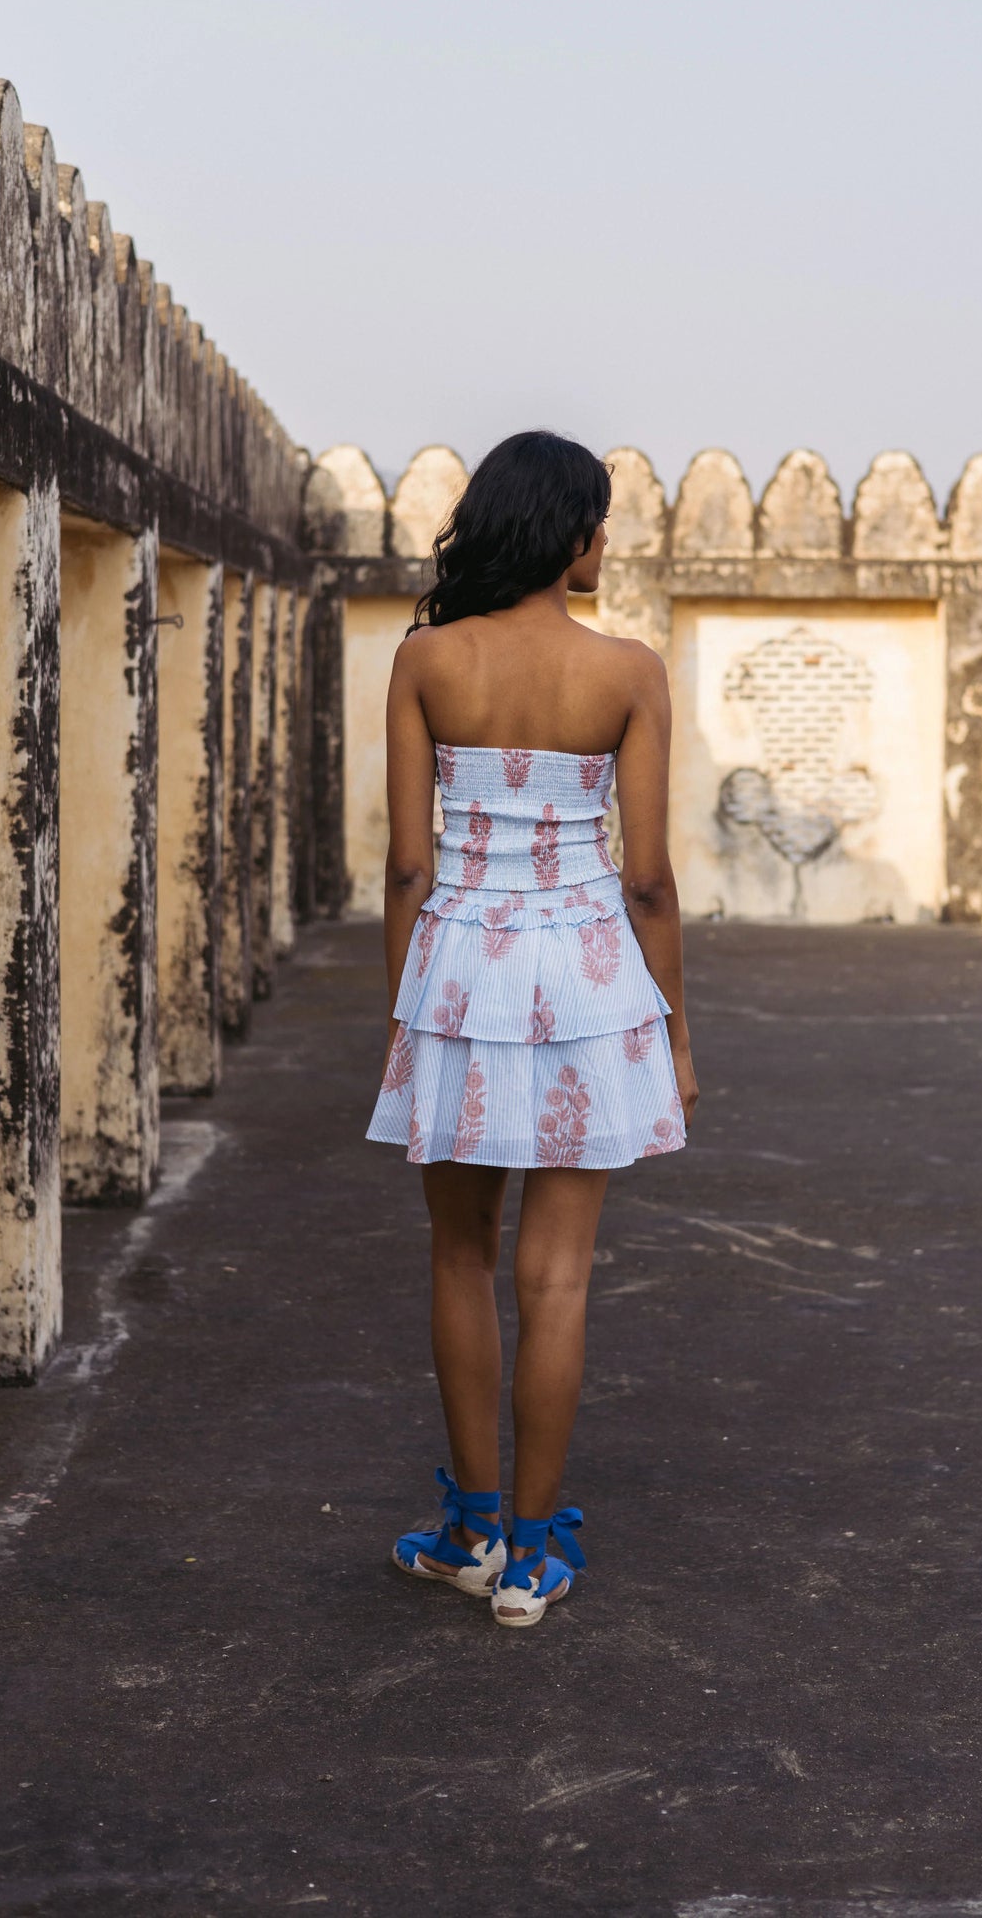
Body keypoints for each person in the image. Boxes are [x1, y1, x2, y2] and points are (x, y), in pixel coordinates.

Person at [367, 430, 698, 1629]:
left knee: (460, 1256)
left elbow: (406, 864)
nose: (601, 544)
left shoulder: (423, 659)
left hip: (457, 972)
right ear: (569, 534)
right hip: (589, 976)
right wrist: (675, 1034)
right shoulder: (626, 673)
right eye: (597, 524)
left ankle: (467, 1527)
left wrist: (405, 1013)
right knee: (555, 1278)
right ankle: (533, 1560)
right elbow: (648, 877)